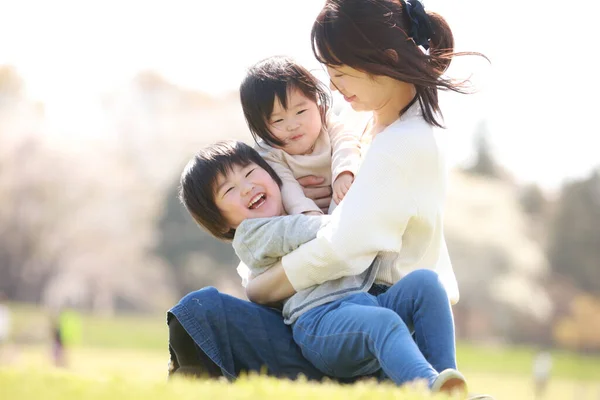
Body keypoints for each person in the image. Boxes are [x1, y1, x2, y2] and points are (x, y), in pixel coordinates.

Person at [168, 0, 490, 398]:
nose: (334, 88)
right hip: (330, 316)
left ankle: (442, 384)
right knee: (198, 311)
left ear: (381, 60)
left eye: (338, 73)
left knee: (425, 287)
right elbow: (294, 210)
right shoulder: (375, 127)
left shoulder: (400, 142)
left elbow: (341, 245)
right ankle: (442, 386)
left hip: (372, 303)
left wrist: (262, 287)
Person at [176, 140, 469, 395]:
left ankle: (448, 381)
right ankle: (429, 386)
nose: (247, 187)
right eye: (229, 190)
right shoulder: (252, 236)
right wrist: (349, 218)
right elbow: (303, 231)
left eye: (250, 172)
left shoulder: (298, 208)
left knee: (426, 285)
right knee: (383, 323)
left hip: (363, 302)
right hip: (320, 324)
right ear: (222, 222)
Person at [239, 55, 361, 216]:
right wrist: (310, 215)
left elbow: (345, 142)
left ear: (318, 103)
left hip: (348, 201)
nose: (292, 125)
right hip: (307, 220)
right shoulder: (269, 153)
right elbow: (288, 189)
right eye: (278, 120)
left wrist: (344, 172)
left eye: (301, 111)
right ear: (260, 126)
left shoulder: (326, 120)